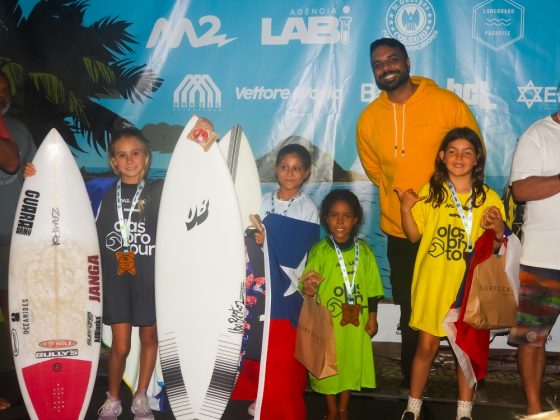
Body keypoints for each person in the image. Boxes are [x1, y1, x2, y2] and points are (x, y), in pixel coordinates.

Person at [356, 37, 481, 389]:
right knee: (412, 314)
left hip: (451, 232)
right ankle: (414, 394)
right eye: (378, 64)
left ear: (407, 62)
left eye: (392, 60)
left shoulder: (446, 103)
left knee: (461, 312)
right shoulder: (369, 119)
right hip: (402, 233)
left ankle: (467, 394)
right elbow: (375, 171)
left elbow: (473, 149)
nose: (386, 67)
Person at [396, 127, 505, 420]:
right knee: (426, 347)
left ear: (477, 158)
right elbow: (414, 236)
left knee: (465, 351)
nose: (459, 157)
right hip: (433, 284)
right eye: (453, 151)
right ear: (442, 157)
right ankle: (412, 407)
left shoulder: (489, 198)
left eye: (467, 152)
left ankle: (464, 412)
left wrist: (497, 230)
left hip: (469, 288)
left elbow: (497, 245)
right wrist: (406, 209)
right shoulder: (429, 192)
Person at [240, 143, 318, 418]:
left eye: (297, 168)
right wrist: (258, 238)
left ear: (306, 173)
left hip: (288, 287)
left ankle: (280, 394)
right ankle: (259, 390)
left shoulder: (309, 209)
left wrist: (270, 241)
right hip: (261, 282)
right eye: (284, 167)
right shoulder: (261, 201)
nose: (290, 173)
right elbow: (249, 236)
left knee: (284, 343)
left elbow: (306, 247)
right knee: (261, 339)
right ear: (276, 169)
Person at [300, 189, 383, 420]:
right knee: (327, 368)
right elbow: (306, 284)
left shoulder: (365, 252)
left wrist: (373, 316)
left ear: (355, 219)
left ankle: (344, 409)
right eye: (334, 215)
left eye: (347, 216)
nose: (340, 221)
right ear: (326, 218)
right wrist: (308, 287)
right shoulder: (320, 251)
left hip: (355, 325)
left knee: (348, 365)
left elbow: (374, 290)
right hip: (327, 324)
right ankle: (332, 410)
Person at [507, 111, 560, 416]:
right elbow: (521, 190)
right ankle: (536, 412)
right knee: (532, 341)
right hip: (541, 260)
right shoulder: (537, 134)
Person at [0, 113, 21, 412]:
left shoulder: (18, 130)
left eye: (5, 91)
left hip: (10, 247)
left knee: (14, 322)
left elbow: (12, 164)